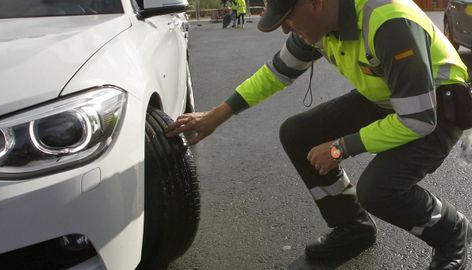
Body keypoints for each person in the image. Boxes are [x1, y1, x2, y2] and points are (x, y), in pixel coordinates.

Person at [165, 0, 471, 268]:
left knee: (378, 190)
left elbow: (417, 119)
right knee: (298, 133)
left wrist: (339, 148)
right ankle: (353, 227)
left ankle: (451, 231)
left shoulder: (388, 21)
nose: (285, 29)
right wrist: (216, 117)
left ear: (316, 2)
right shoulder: (320, 26)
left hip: (435, 107)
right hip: (386, 98)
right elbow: (276, 73)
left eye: (287, 17)